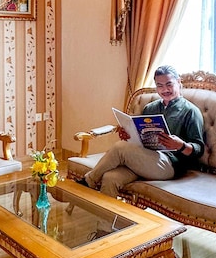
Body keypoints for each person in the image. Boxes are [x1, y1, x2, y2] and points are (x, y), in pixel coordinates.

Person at [81, 66, 204, 198]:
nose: (165, 90)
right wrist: (128, 134)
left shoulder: (190, 111)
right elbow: (139, 135)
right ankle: (103, 212)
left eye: (169, 84)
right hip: (144, 158)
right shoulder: (150, 108)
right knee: (110, 178)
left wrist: (180, 145)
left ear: (178, 82)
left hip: (169, 165)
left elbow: (199, 149)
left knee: (120, 147)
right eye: (160, 86)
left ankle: (88, 181)